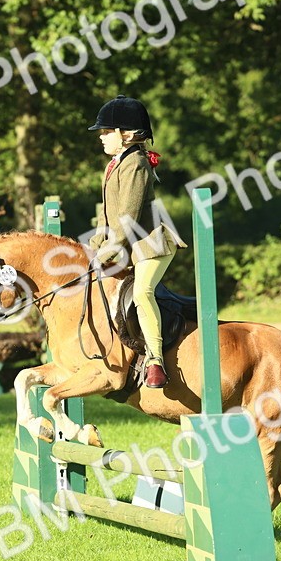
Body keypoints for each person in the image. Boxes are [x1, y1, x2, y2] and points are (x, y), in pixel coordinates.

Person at [87, 95, 185, 389]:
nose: (102, 138)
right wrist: (92, 246)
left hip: (151, 245)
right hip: (128, 243)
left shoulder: (137, 163)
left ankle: (156, 361)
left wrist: (109, 250)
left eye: (106, 132)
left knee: (142, 292)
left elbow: (127, 216)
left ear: (126, 133)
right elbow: (108, 216)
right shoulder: (116, 164)